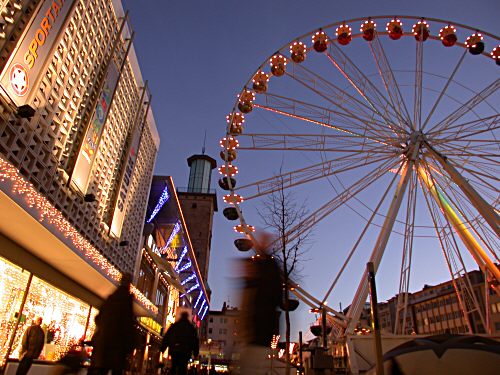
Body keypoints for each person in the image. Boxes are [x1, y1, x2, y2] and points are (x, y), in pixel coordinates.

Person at [239, 231, 283, 375]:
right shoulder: (269, 267)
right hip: (259, 329)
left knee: (251, 368)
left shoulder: (266, 267)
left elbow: (272, 296)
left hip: (259, 328)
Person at [88, 273, 136, 375]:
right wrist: (130, 343)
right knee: (116, 369)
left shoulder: (111, 298)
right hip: (118, 345)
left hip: (104, 343)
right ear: (129, 284)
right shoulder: (126, 300)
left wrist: (103, 330)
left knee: (102, 369)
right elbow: (128, 325)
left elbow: (98, 318)